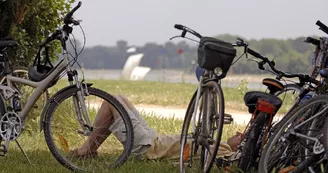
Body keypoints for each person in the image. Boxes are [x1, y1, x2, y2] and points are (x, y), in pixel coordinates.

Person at [71, 94, 242, 160]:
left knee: (111, 102)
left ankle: (85, 151)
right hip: (153, 138)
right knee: (119, 98)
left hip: (148, 148)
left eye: (241, 135)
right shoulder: (220, 146)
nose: (237, 132)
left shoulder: (225, 151)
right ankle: (89, 150)